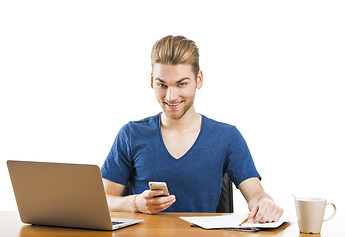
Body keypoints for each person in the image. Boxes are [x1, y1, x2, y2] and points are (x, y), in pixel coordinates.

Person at [101, 35, 283, 223]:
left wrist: (265, 202)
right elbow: (102, 200)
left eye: (182, 84)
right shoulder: (131, 135)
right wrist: (134, 203)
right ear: (151, 81)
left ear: (199, 79)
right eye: (162, 84)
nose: (171, 97)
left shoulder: (227, 137)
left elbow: (256, 194)